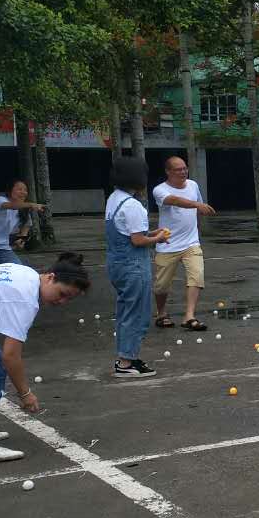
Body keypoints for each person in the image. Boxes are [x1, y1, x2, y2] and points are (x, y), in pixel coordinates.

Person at [0, 253, 91, 462]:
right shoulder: (25, 297)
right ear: (50, 277)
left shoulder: (27, 274)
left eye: (68, 299)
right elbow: (11, 355)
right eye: (62, 293)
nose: (62, 302)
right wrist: (25, 394)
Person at [105, 156, 167, 380]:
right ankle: (126, 362)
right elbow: (138, 240)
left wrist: (152, 234)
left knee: (125, 312)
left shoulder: (114, 199)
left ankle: (127, 356)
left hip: (116, 263)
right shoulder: (133, 206)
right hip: (133, 266)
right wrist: (158, 238)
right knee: (137, 314)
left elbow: (129, 232)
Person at [151, 156, 216, 332]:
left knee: (197, 275)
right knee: (161, 286)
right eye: (178, 169)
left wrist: (198, 227)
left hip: (191, 243)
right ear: (168, 172)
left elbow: (198, 209)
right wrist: (197, 204)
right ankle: (161, 313)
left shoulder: (193, 185)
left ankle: (189, 316)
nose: (183, 172)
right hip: (167, 243)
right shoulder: (160, 190)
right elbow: (174, 200)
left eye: (185, 168)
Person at [0, 181, 44, 266]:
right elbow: (12, 206)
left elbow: (27, 224)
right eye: (19, 189)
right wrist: (31, 204)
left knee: (18, 268)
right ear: (10, 191)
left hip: (3, 247)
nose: (23, 192)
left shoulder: (23, 209)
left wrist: (22, 239)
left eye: (25, 190)